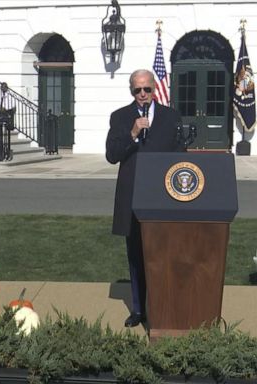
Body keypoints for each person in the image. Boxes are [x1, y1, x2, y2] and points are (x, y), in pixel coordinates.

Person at [106, 69, 184, 327]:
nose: (142, 95)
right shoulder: (120, 117)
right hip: (134, 197)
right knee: (137, 255)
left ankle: (163, 305)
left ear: (154, 89)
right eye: (137, 90)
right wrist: (132, 133)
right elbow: (112, 155)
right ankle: (140, 310)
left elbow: (180, 155)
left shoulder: (171, 117)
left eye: (146, 89)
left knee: (164, 255)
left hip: (164, 196)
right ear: (131, 91)